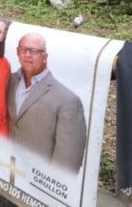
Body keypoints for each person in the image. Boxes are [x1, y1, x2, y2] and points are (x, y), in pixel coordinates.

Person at [7, 33, 87, 171]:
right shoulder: (9, 80)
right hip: (6, 171)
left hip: (38, 180)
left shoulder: (68, 101)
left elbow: (68, 159)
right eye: (23, 50)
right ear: (17, 53)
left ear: (45, 57)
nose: (27, 55)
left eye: (34, 51)